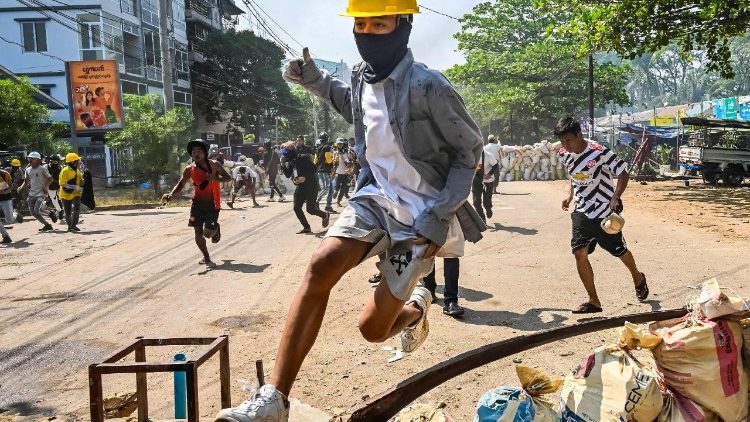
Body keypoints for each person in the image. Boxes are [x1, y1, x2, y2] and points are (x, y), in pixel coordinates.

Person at [214, 2, 484, 420]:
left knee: (373, 330)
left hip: (422, 216)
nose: (369, 33)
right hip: (375, 198)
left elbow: (469, 154)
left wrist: (438, 219)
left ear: (403, 26)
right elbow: (353, 105)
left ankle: (417, 308)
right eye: (362, 24)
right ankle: (275, 400)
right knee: (321, 264)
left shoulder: (429, 85)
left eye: (381, 23)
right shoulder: (360, 77)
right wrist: (315, 80)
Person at [555, 116, 649, 314]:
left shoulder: (599, 152)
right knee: (579, 253)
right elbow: (572, 175)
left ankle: (638, 277)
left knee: (619, 251)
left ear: (580, 135)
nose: (565, 145)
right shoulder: (564, 154)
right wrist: (569, 195)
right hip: (581, 211)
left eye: (569, 140)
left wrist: (616, 197)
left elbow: (623, 173)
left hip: (603, 212)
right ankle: (594, 301)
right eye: (562, 141)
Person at [162, 139, 231, 266]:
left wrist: (214, 178)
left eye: (199, 150)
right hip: (197, 204)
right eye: (194, 151)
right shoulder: (189, 169)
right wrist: (171, 194)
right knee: (198, 232)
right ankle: (207, 257)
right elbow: (181, 183)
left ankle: (215, 227)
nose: (196, 153)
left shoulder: (215, 164)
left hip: (213, 203)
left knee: (207, 234)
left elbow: (228, 177)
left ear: (205, 152)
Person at [280, 140, 330, 234]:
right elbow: (287, 174)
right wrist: (283, 165)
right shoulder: (292, 162)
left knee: (310, 209)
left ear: (291, 152)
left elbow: (314, 169)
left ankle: (325, 215)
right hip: (300, 186)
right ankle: (306, 227)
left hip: (311, 185)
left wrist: (305, 177)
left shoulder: (302, 158)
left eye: (286, 153)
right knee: (296, 207)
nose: (284, 155)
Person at [17, 152, 56, 231]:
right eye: (29, 158)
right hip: (32, 194)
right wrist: (21, 187)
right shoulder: (27, 170)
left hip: (41, 193)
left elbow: (50, 179)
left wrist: (45, 187)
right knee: (33, 213)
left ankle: (50, 214)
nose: (30, 160)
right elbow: (26, 181)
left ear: (38, 160)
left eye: (32, 158)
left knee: (36, 210)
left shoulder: (42, 169)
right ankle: (47, 224)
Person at [59, 153, 84, 232]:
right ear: (72, 162)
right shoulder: (65, 171)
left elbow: (81, 180)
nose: (78, 162)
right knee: (68, 212)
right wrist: (75, 187)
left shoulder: (77, 171)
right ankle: (70, 227)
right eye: (77, 161)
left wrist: (84, 180)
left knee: (77, 209)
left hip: (76, 194)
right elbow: (62, 183)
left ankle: (73, 225)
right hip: (65, 194)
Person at [472, 149, 498, 223]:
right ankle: (482, 219)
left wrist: (489, 174)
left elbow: (495, 165)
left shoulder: (488, 155)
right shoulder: (469, 155)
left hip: (487, 181)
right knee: (476, 202)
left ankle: (488, 208)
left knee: (487, 201)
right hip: (476, 181)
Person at [330, 138, 354, 207]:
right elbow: (332, 162)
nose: (340, 145)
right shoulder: (335, 152)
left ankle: (338, 201)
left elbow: (351, 159)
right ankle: (336, 192)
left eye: (341, 143)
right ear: (337, 144)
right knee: (337, 187)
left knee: (343, 188)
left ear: (343, 144)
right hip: (338, 172)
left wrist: (349, 162)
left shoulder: (348, 151)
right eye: (338, 144)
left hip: (346, 172)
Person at [314, 132, 335, 209]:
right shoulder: (327, 147)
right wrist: (334, 158)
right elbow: (329, 160)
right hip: (325, 171)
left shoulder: (318, 148)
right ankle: (315, 201)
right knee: (326, 189)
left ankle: (328, 205)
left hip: (321, 170)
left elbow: (315, 161)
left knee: (331, 189)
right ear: (327, 138)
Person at [44, 154, 65, 223]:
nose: (60, 162)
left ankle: (60, 212)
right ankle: (59, 211)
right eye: (58, 161)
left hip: (59, 186)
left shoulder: (60, 168)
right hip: (50, 187)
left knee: (58, 199)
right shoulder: (46, 167)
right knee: (54, 200)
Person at [0, 167, 13, 243]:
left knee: (9, 220)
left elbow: (11, 186)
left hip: (6, 198)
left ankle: (16, 214)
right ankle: (6, 236)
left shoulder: (4, 174)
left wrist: (4, 192)